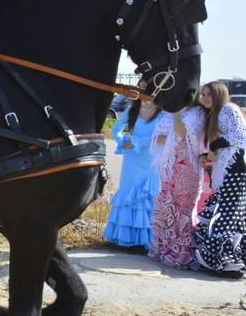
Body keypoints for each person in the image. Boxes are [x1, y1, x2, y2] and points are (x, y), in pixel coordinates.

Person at [189, 81, 246, 277]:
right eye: (203, 94)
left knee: (225, 218)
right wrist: (207, 156)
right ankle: (225, 262)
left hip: (236, 171)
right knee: (228, 217)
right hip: (226, 173)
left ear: (219, 94)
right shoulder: (213, 115)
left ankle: (227, 264)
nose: (205, 97)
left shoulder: (229, 109)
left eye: (209, 94)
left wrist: (214, 148)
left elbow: (240, 136)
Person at [102, 91, 163, 251]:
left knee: (148, 196)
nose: (143, 94)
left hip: (151, 159)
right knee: (128, 196)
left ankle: (146, 241)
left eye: (146, 90)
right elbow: (115, 129)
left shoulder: (163, 112)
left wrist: (136, 142)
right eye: (140, 91)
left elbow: (163, 137)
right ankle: (126, 239)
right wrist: (124, 141)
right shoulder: (132, 110)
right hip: (132, 160)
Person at [149, 104, 206, 268]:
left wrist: (175, 117)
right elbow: (158, 136)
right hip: (170, 166)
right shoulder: (169, 112)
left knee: (182, 209)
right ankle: (165, 249)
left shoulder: (197, 112)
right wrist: (173, 137)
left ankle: (180, 254)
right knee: (168, 207)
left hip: (187, 166)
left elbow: (183, 135)